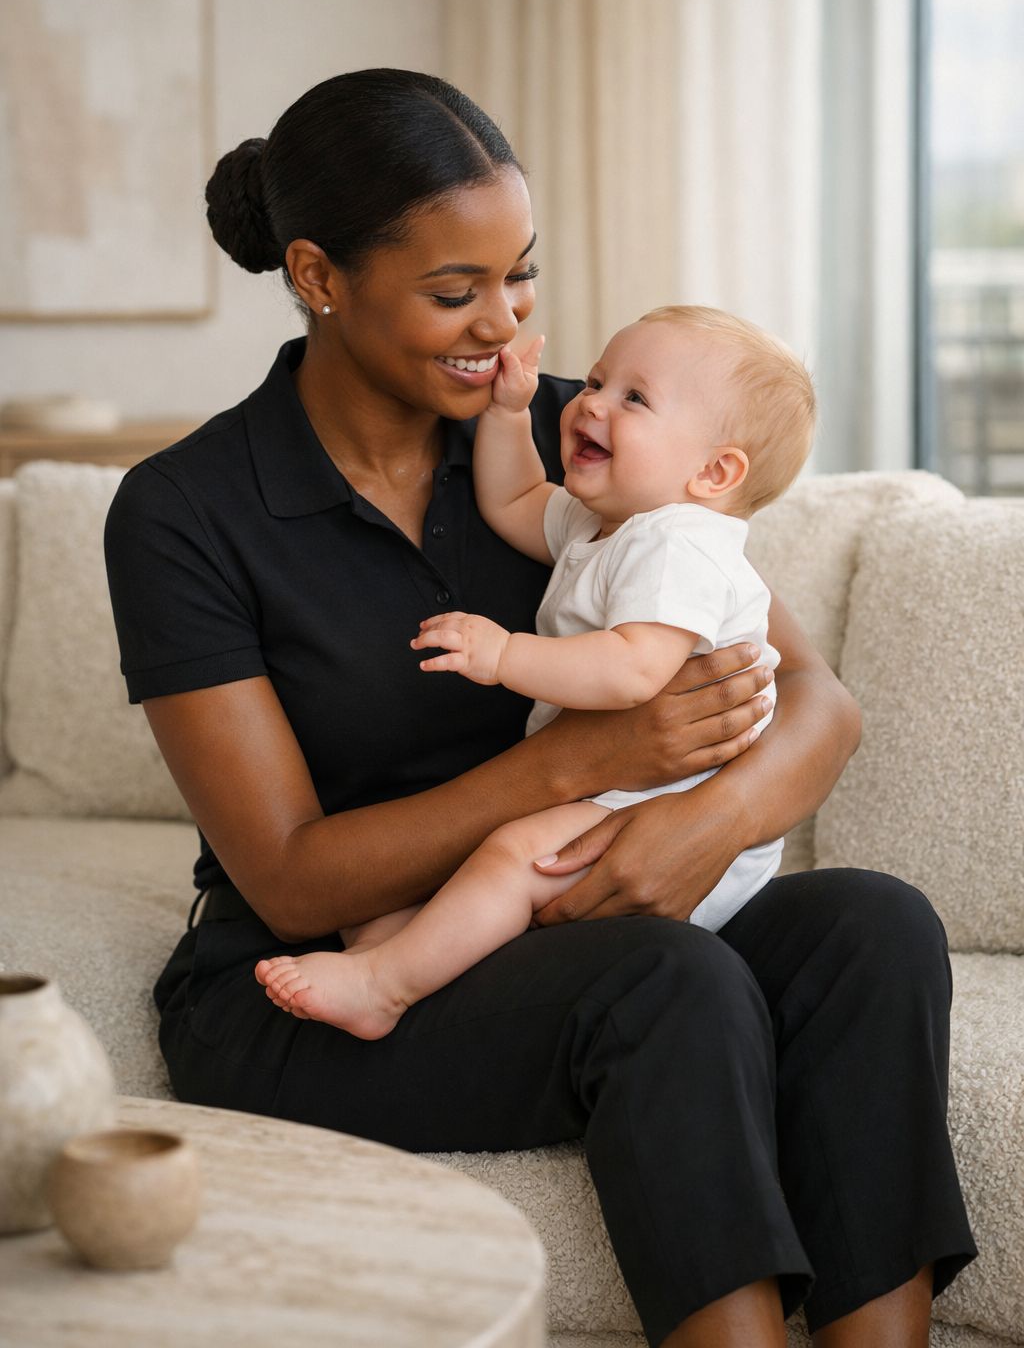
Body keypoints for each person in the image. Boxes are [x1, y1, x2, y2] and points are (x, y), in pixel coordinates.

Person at [104, 68, 975, 1348]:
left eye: (519, 276)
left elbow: (816, 705)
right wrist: (584, 761)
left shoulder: (575, 431)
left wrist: (702, 823)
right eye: (454, 291)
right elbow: (288, 880)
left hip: (572, 910)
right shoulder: (186, 512)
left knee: (873, 926)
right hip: (315, 974)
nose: (503, 321)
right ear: (318, 275)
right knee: (666, 980)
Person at [255, 306, 816, 1038]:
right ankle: (391, 943)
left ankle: (381, 988)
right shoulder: (606, 520)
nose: (591, 403)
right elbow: (515, 499)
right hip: (618, 788)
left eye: (634, 398)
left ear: (714, 472)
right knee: (433, 877)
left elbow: (633, 671)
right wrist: (509, 416)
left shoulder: (679, 544)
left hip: (672, 813)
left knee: (512, 854)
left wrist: (505, 655)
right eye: (597, 381)